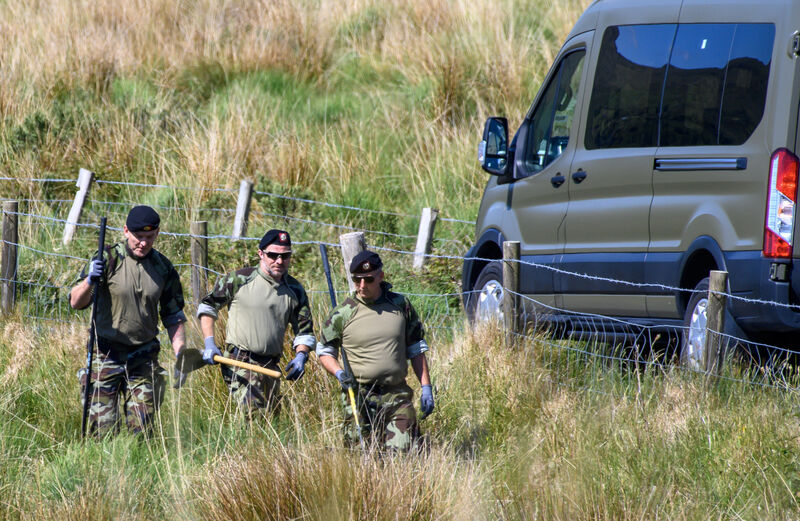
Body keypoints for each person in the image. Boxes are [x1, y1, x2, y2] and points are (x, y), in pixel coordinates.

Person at [68, 205, 186, 437]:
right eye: (138, 237)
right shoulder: (107, 258)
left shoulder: (163, 268)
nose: (143, 243)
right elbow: (76, 302)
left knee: (142, 429)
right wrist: (90, 280)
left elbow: (173, 315)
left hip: (143, 356)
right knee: (101, 432)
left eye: (149, 237)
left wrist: (180, 353)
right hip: (105, 354)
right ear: (125, 231)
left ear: (157, 234)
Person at [317, 250, 434, 451]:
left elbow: (416, 349)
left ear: (380, 276)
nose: (362, 286)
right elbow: (325, 352)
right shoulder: (342, 313)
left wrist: (426, 388)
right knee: (360, 453)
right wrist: (339, 373)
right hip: (359, 395)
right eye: (357, 280)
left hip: (396, 394)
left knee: (401, 454)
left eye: (368, 279)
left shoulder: (399, 305)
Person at [196, 229, 315, 417]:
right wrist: (209, 343)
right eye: (273, 255)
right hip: (239, 362)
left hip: (271, 365)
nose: (279, 261)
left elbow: (304, 331)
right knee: (253, 415)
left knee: (271, 420)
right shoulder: (239, 279)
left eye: (285, 256)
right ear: (261, 254)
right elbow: (207, 307)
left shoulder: (295, 290)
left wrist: (301, 356)